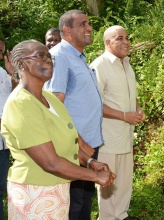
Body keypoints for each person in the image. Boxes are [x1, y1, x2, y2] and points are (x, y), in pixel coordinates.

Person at [1, 39, 115, 219]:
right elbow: (50, 162)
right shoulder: (21, 104)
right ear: (22, 64)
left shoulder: (50, 98)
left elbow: (68, 139)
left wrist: (89, 162)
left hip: (58, 189)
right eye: (40, 55)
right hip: (34, 193)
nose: (48, 60)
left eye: (49, 56)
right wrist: (94, 176)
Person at [44, 10, 105, 220]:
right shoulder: (60, 56)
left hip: (88, 143)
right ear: (67, 30)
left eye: (89, 23)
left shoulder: (78, 56)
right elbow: (54, 105)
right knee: (74, 204)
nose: (89, 28)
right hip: (75, 147)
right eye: (83, 24)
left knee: (84, 200)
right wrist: (78, 144)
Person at [90, 25, 146, 220]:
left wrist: (138, 110)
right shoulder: (99, 65)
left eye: (127, 38)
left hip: (126, 136)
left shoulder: (127, 64)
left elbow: (131, 95)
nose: (126, 42)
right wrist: (124, 116)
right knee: (107, 182)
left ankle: (121, 216)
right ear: (108, 42)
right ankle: (106, 218)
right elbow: (95, 105)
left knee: (124, 183)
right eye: (119, 38)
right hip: (108, 138)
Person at [0, 37, 13, 220]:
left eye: (1, 50)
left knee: (1, 188)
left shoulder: (2, 73)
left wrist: (12, 73)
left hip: (3, 143)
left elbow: (15, 95)